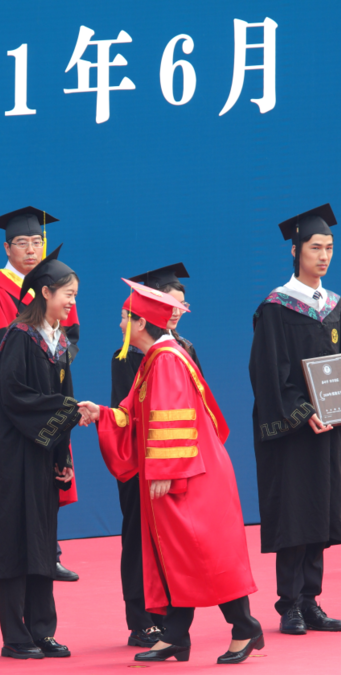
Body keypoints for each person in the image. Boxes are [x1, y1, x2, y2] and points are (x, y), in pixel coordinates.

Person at [82, 280, 263, 665]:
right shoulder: (157, 357)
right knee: (178, 552)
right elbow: (133, 412)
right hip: (185, 468)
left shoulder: (166, 360)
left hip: (189, 474)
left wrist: (165, 468)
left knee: (203, 552)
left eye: (125, 317)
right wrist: (102, 414)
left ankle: (245, 626)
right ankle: (176, 634)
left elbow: (172, 417)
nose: (120, 324)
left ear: (141, 322)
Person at [249, 204, 341, 636]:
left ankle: (311, 600)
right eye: (316, 247)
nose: (324, 255)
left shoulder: (334, 305)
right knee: (296, 514)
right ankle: (289, 604)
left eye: (329, 247)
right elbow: (267, 373)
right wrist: (302, 413)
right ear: (295, 250)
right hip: (294, 431)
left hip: (328, 426)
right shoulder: (276, 307)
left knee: (321, 512)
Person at [0, 246, 85, 659]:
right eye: (68, 295)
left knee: (42, 542)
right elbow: (15, 397)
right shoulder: (20, 337)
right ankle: (15, 637)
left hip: (42, 457)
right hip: (15, 457)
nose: (72, 303)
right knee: (14, 544)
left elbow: (64, 397)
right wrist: (69, 410)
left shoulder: (58, 342)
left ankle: (43, 630)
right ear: (45, 293)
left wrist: (62, 459)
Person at [0, 206, 80, 582]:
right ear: (7, 247)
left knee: (50, 470)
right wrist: (27, 390)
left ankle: (48, 552)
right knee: (8, 478)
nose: (31, 249)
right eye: (21, 242)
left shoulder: (55, 283)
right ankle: (4, 556)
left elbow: (70, 337)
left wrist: (51, 377)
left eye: (36, 241)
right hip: (13, 402)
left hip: (49, 398)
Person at [110, 263, 199, 648]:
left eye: (181, 305)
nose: (176, 311)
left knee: (175, 540)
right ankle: (141, 619)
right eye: (169, 304)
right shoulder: (128, 355)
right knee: (138, 537)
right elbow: (126, 412)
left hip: (175, 462)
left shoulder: (184, 350)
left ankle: (171, 618)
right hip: (142, 464)